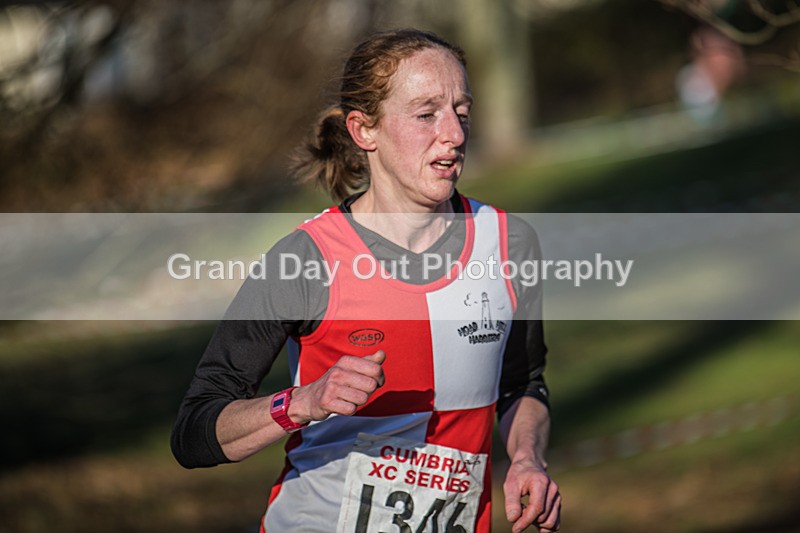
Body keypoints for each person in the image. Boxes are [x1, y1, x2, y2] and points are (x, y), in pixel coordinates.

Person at [171, 28, 560, 533]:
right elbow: (194, 432)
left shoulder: (507, 242)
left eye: (461, 112)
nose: (456, 135)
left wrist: (527, 456)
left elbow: (522, 385)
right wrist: (303, 402)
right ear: (364, 130)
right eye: (427, 115)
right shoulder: (306, 259)